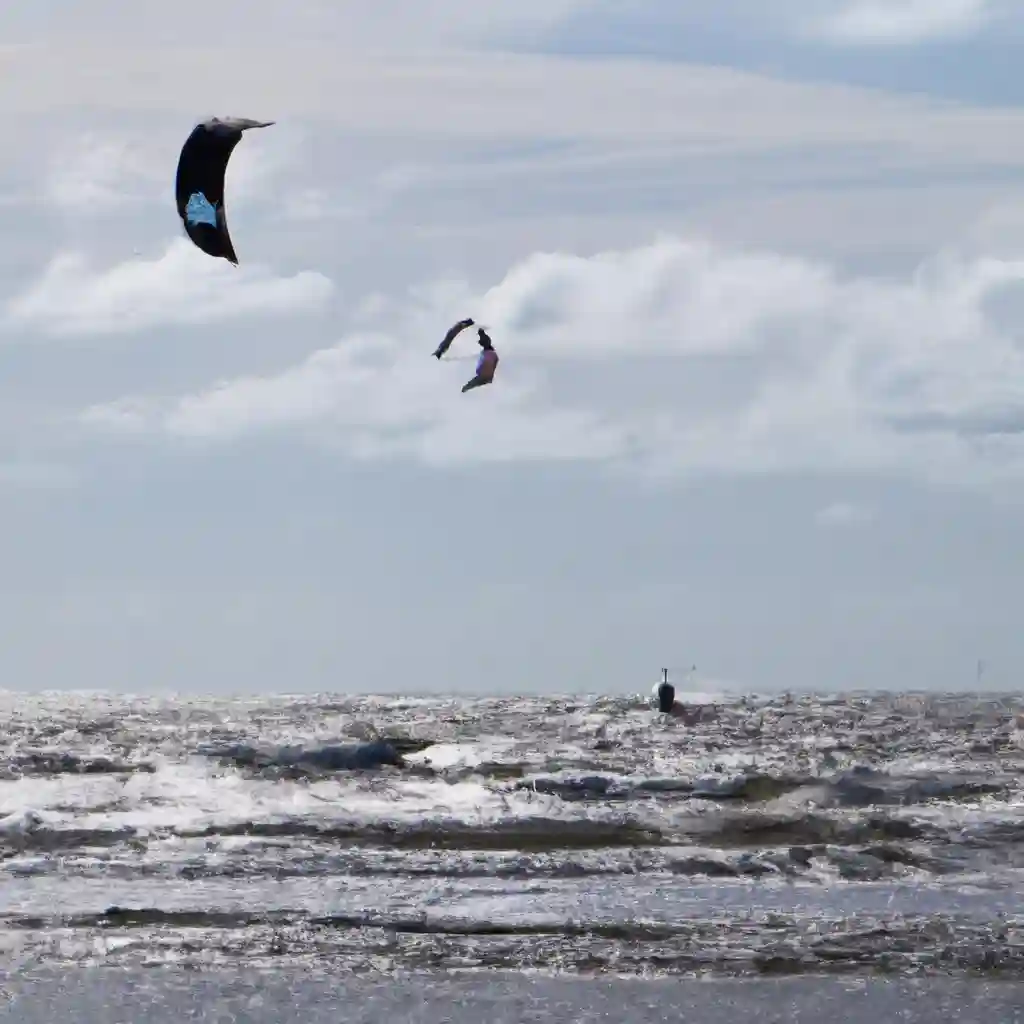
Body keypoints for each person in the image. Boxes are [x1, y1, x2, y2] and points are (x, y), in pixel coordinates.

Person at [461, 328, 499, 393]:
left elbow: (483, 364)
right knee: (474, 383)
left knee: (471, 384)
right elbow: (495, 362)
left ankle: (464, 390)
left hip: (483, 376)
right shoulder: (491, 354)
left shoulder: (486, 353)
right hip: (487, 376)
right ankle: (465, 390)